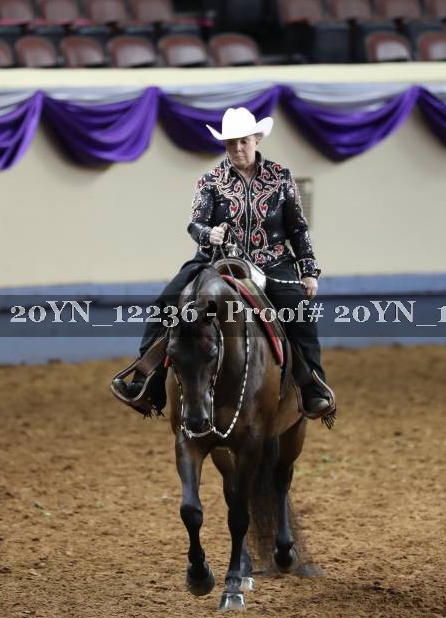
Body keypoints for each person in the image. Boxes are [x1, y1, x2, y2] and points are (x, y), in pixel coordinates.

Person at [112, 107, 336, 422]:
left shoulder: (281, 178)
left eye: (243, 141)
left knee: (299, 314)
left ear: (257, 139)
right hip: (217, 260)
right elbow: (195, 224)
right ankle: (146, 381)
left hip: (273, 262)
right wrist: (209, 234)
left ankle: (312, 387)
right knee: (165, 304)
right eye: (231, 143)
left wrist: (308, 270)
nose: (237, 148)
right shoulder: (211, 181)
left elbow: (298, 229)